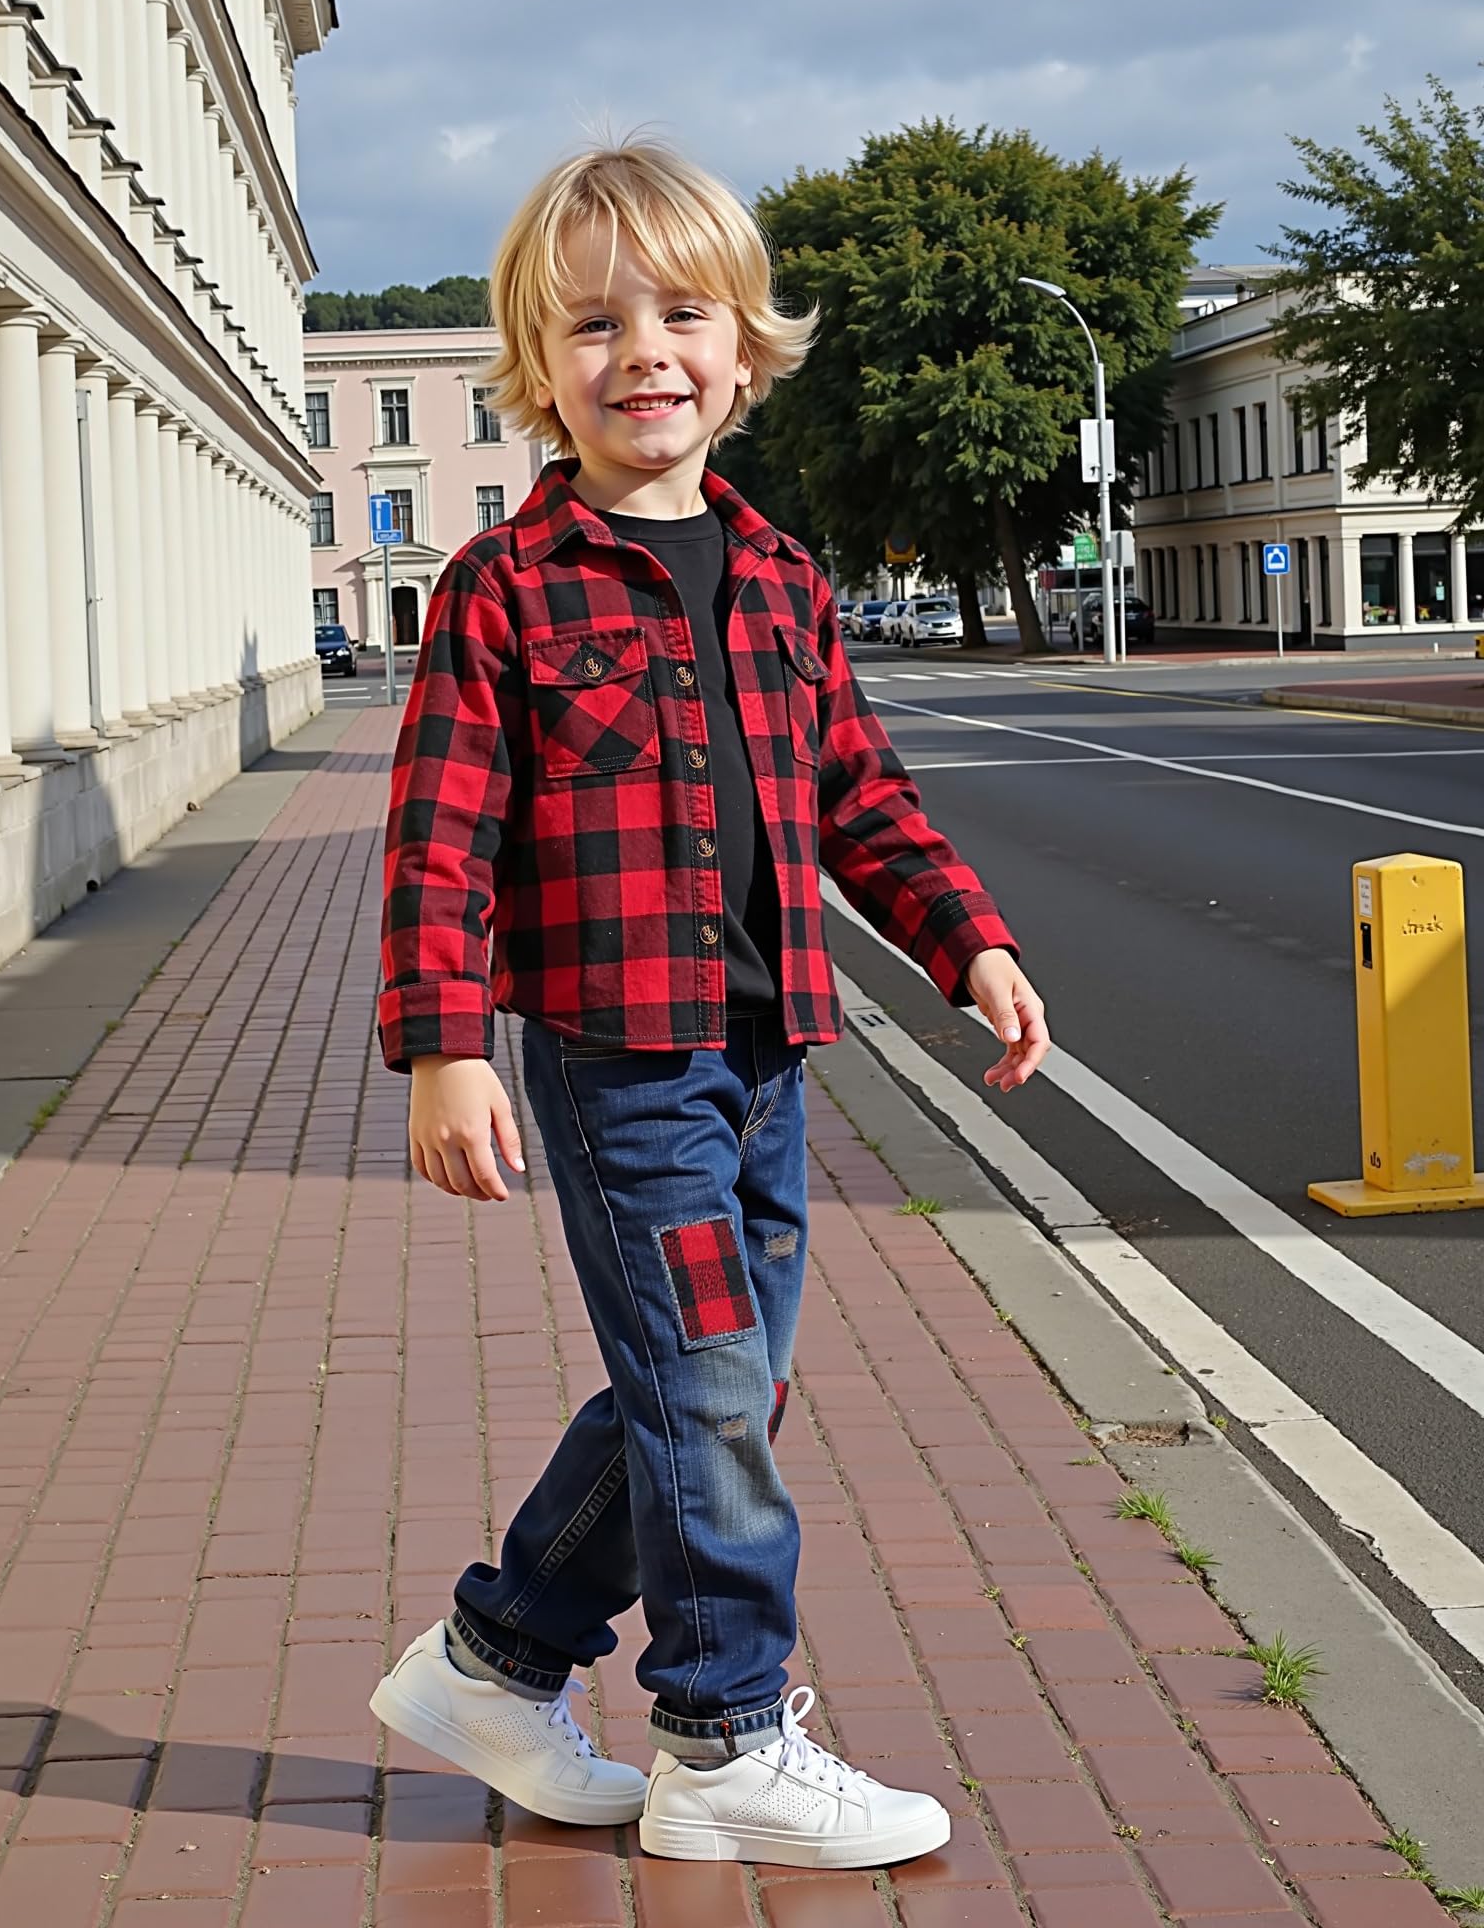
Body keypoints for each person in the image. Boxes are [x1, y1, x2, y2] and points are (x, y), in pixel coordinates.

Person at [370, 139, 1049, 1868]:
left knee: (713, 1391)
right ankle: (723, 1735)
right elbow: (442, 834)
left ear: (745, 352)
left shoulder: (779, 579)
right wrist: (450, 1047)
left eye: (684, 315)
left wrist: (965, 937)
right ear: (539, 371)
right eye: (596, 327)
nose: (645, 354)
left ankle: (497, 1660)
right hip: (620, 1062)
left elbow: (863, 796)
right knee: (710, 1395)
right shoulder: (503, 591)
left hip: (766, 1056)